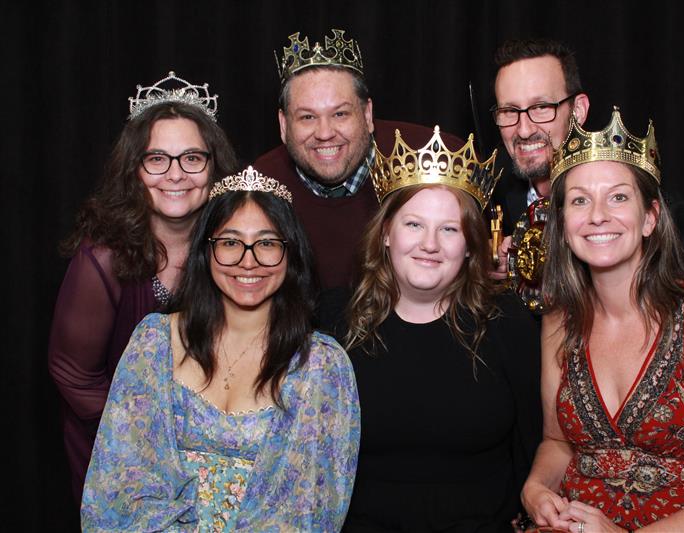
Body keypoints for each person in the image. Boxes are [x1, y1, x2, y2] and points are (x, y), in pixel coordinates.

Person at [520, 108, 684, 532]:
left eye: (618, 197)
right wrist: (534, 489)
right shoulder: (559, 320)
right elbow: (557, 443)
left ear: (650, 217)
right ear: (564, 224)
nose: (597, 215)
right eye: (580, 200)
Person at [81, 167, 360, 531]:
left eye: (267, 243)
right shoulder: (153, 343)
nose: (248, 260)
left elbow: (311, 508)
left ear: (291, 254)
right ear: (206, 251)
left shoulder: (321, 366)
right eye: (230, 242)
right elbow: (119, 481)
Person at [319, 127, 541, 531]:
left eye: (450, 229)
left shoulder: (507, 324)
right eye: (414, 225)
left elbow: (535, 445)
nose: (430, 244)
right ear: (386, 233)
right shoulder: (336, 321)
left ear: (471, 244)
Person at [48, 71, 239, 501]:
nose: (175, 174)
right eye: (157, 159)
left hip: (212, 454)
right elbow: (72, 375)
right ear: (135, 169)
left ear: (214, 166)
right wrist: (149, 441)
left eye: (192, 158)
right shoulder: (103, 259)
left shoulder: (232, 248)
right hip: (119, 452)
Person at [254, 28, 462, 289]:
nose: (325, 133)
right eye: (307, 117)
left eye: (340, 114)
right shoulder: (259, 187)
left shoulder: (432, 158)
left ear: (367, 115)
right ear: (284, 125)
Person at [490, 38, 684, 270]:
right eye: (509, 111)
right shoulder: (491, 194)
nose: (524, 129)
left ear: (578, 110)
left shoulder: (656, 213)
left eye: (541, 108)